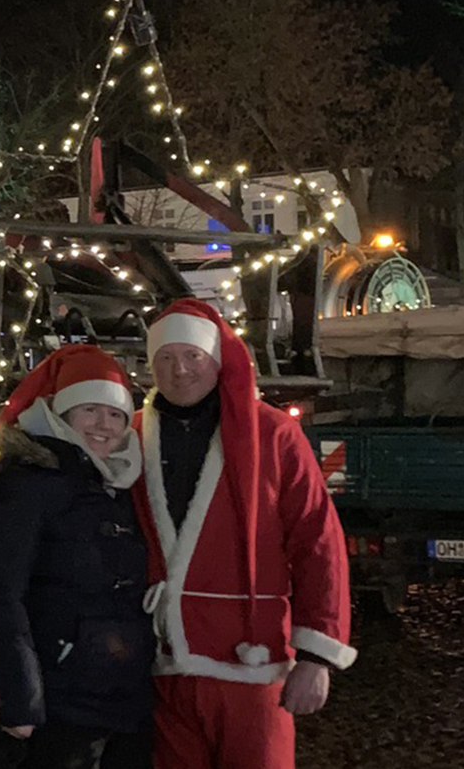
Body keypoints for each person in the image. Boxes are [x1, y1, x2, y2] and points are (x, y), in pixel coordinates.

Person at [132, 298, 355, 769]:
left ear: (217, 359)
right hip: (163, 670)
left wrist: (317, 657)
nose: (180, 371)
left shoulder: (272, 435)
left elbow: (318, 542)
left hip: (253, 668)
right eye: (165, 358)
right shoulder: (131, 438)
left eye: (193, 356)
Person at [0, 343, 155, 769]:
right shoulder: (26, 483)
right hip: (62, 700)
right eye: (89, 410)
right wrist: (22, 699)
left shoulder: (123, 481)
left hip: (126, 698)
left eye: (115, 414)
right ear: (61, 414)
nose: (103, 425)